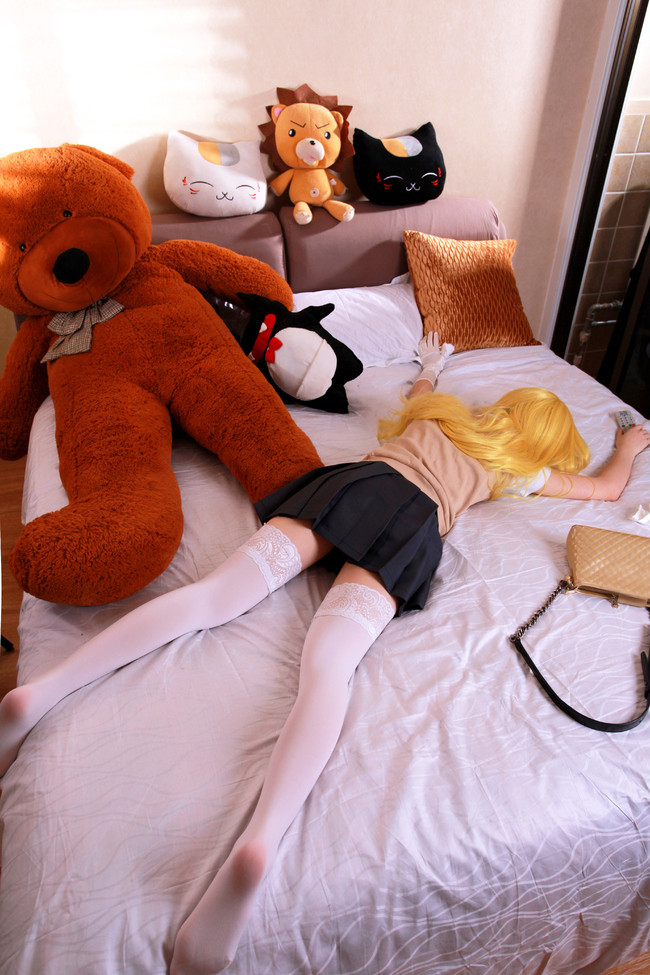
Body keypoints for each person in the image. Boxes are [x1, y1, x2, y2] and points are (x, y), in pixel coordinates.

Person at [0, 335, 648, 975]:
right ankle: (261, 840)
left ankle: (40, 693)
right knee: (329, 668)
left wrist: (432, 363)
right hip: (410, 526)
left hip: (355, 486)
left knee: (211, 597)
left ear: (504, 408)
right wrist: (629, 446)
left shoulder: (439, 412)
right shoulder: (516, 470)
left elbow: (419, 387)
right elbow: (607, 489)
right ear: (539, 439)